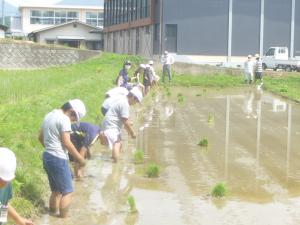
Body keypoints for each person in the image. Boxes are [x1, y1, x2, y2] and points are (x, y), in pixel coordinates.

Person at [38, 99, 87, 218]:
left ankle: (52, 214)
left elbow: (40, 137)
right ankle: (63, 219)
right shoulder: (64, 119)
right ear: (71, 111)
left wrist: (51, 150)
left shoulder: (49, 115)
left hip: (47, 156)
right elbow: (67, 142)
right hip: (58, 158)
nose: (73, 121)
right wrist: (80, 158)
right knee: (68, 191)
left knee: (56, 191)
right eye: (74, 119)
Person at [100, 87, 143, 163]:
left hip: (110, 124)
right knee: (117, 143)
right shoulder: (125, 104)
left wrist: (128, 125)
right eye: (136, 101)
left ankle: (114, 158)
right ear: (133, 97)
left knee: (120, 144)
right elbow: (125, 122)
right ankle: (115, 164)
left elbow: (124, 120)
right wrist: (132, 133)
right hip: (111, 125)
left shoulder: (123, 101)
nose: (135, 104)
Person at [0, 147, 34, 225]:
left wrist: (18, 220)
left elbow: (3, 205)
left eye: (5, 181)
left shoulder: (6, 185)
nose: (3, 183)